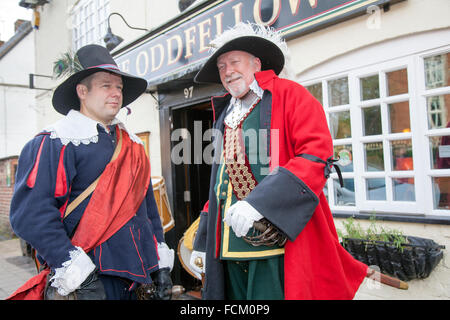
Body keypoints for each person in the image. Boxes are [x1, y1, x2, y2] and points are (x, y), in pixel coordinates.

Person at [190, 23, 369, 300]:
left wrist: (258, 204)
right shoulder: (226, 113)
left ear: (257, 63)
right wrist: (203, 240)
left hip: (274, 240)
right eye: (221, 67)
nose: (227, 72)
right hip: (227, 245)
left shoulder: (290, 94)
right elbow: (221, 183)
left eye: (234, 62)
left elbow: (314, 156)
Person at [8, 44, 174, 300]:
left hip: (139, 278)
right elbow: (31, 215)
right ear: (82, 91)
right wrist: (79, 275)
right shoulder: (56, 142)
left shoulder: (133, 144)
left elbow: (148, 211)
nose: (116, 93)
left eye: (119, 87)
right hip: (90, 278)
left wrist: (160, 263)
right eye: (106, 85)